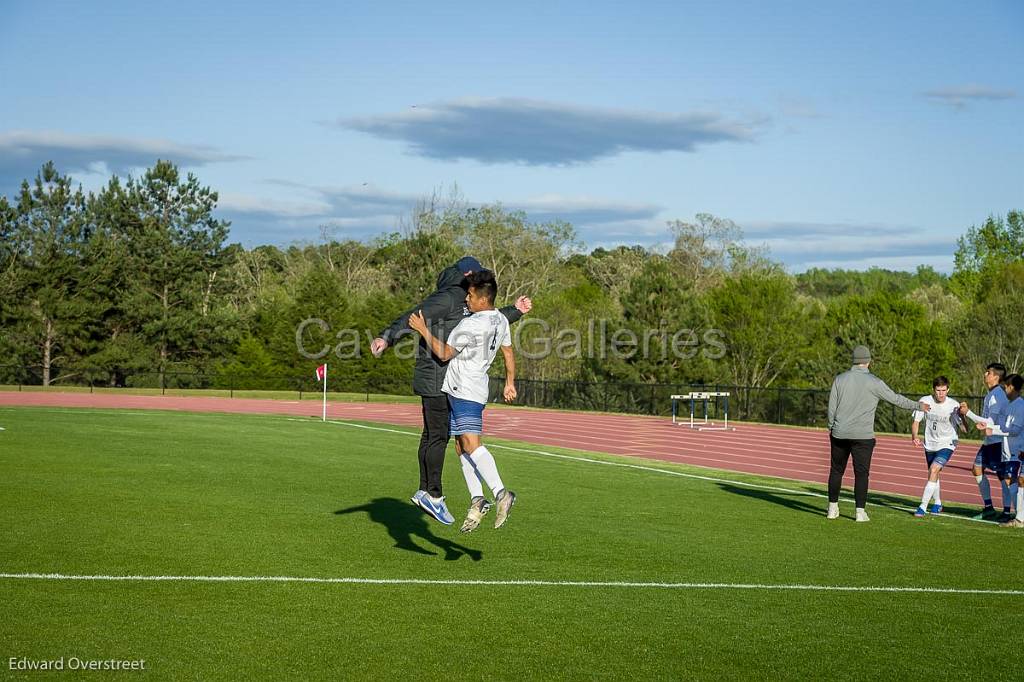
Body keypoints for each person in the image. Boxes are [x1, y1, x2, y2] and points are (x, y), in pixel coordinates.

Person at [370, 257, 530, 525]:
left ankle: (453, 495)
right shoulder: (450, 298)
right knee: (443, 438)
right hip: (438, 377)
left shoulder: (473, 304)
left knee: (448, 440)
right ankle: (438, 494)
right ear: (466, 275)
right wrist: (386, 337)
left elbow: (492, 316)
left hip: (454, 382)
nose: (472, 291)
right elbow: (415, 315)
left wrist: (515, 310)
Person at [408, 270, 518, 532]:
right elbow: (508, 351)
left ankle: (501, 492)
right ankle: (477, 499)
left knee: (470, 444)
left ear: (482, 299)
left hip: (463, 390)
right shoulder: (500, 320)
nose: (466, 300)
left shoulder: (471, 325)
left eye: (469, 296)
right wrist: (510, 382)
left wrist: (423, 329)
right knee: (460, 446)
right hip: (475, 388)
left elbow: (445, 354)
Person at [826, 345, 930, 522]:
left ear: (853, 360)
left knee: (836, 471)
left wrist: (832, 428)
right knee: (861, 473)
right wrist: (918, 406)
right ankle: (860, 512)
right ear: (868, 361)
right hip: (863, 436)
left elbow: (831, 408)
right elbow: (896, 399)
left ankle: (832, 509)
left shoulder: (840, 379)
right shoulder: (875, 382)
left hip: (839, 433)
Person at [958, 362, 1009, 520]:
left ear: (996, 376)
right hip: (990, 441)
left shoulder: (997, 395)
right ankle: (989, 508)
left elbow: (990, 421)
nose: (985, 375)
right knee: (977, 468)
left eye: (988, 372)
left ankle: (1006, 512)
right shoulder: (992, 394)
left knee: (1004, 477)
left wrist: (969, 413)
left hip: (998, 441)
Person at [911, 376, 965, 517]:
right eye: (938, 390)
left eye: (944, 390)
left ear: (948, 390)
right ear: (933, 390)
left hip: (947, 444)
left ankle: (922, 506)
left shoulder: (953, 405)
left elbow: (964, 429)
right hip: (930, 444)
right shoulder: (925, 401)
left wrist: (963, 415)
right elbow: (916, 421)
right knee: (933, 473)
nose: (941, 393)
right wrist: (915, 436)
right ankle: (938, 503)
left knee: (934, 469)